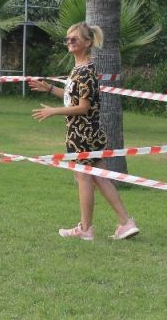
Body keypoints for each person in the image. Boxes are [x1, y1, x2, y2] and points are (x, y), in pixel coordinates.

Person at [30, 22, 139, 241]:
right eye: (67, 39)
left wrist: (53, 111)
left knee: (83, 178)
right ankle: (126, 223)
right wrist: (49, 88)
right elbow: (73, 97)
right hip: (84, 133)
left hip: (83, 134)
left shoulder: (87, 70)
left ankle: (86, 229)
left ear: (88, 43)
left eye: (74, 39)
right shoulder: (79, 68)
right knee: (100, 178)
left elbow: (83, 107)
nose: (69, 42)